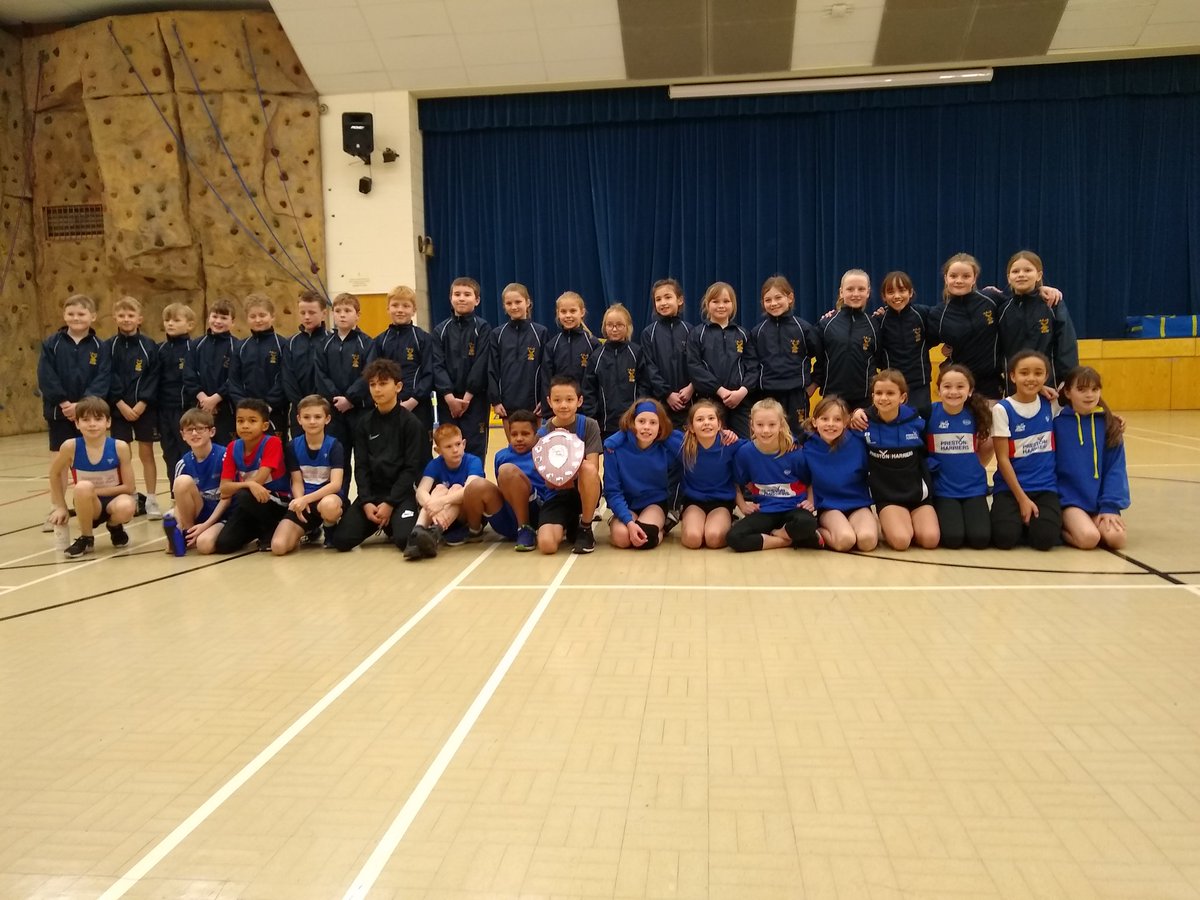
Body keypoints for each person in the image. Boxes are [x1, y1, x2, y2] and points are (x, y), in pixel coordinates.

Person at [326, 359, 426, 553]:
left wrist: (390, 503)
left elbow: (411, 469)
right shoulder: (364, 423)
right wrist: (366, 502)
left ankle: (393, 523)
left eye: (383, 383)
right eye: (372, 385)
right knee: (341, 541)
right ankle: (380, 522)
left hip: (400, 495)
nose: (377, 389)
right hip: (372, 495)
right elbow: (361, 466)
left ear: (398, 387)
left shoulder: (411, 424)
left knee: (405, 539)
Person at [38, 293, 111, 530]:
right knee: (58, 462)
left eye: (81, 314)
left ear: (93, 316)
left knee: (91, 461)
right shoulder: (52, 344)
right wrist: (64, 403)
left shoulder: (101, 346)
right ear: (64, 315)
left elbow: (103, 377)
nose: (76, 318)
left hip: (89, 414)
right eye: (71, 313)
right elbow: (46, 376)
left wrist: (82, 406)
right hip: (59, 412)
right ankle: (57, 506)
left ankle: (94, 506)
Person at [726, 398, 823, 552]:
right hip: (765, 511)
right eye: (760, 425)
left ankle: (781, 533)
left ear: (781, 425)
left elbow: (809, 480)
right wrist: (742, 505)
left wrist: (810, 501)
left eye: (772, 424)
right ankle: (786, 540)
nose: (766, 430)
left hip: (793, 508)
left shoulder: (794, 451)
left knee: (807, 523)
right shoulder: (745, 452)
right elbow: (736, 482)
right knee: (734, 537)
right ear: (752, 425)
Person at [47, 396, 136, 558]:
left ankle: (114, 526)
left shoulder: (119, 447)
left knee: (128, 505)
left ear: (108, 422)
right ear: (77, 423)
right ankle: (86, 537)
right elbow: (54, 473)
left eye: (98, 419)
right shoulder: (70, 447)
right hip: (87, 502)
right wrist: (60, 506)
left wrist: (94, 491)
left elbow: (129, 487)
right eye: (86, 420)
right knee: (82, 487)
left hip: (113, 501)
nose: (92, 424)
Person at [991, 350, 1060, 550]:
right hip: (1010, 489)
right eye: (1024, 373)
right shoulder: (1002, 409)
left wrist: (1110, 416)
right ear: (1012, 376)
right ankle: (1016, 520)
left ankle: (1041, 523)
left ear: (1046, 377)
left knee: (1045, 541)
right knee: (1004, 539)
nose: (1031, 378)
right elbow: (1002, 459)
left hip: (1045, 487)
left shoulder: (1052, 403)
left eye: (1038, 373)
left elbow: (1085, 395)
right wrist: (1022, 499)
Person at [862, 369, 939, 551]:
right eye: (879, 393)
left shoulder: (918, 421)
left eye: (890, 393)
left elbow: (929, 454)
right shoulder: (864, 423)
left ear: (902, 397)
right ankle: (887, 523)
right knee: (901, 541)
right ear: (872, 396)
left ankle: (910, 522)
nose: (884, 398)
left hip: (917, 495)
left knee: (930, 540)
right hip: (887, 497)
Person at [1055, 366, 1129, 550]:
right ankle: (1059, 529)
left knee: (1117, 539)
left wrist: (1110, 506)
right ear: (1068, 392)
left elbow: (1115, 469)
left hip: (1099, 502)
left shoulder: (1110, 425)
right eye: (1081, 389)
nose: (1089, 395)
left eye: (1094, 389)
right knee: (1089, 539)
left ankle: (1089, 525)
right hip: (1069, 501)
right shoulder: (1056, 425)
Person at [925, 364, 993, 550]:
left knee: (980, 539)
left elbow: (987, 448)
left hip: (973, 488)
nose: (953, 392)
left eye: (960, 387)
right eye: (947, 386)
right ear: (938, 390)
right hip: (943, 490)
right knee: (953, 539)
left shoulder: (977, 414)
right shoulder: (929, 413)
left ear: (970, 391)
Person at [797, 395, 878, 552]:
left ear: (846, 422)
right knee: (845, 541)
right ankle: (815, 533)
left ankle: (869, 523)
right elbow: (806, 479)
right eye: (824, 419)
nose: (830, 424)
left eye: (837, 420)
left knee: (867, 541)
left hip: (858, 504)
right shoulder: (805, 448)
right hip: (829, 506)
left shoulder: (858, 442)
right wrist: (809, 500)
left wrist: (860, 411)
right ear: (815, 422)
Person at [107, 295, 162, 519]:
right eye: (122, 315)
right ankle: (128, 496)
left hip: (144, 409)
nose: (126, 319)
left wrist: (142, 403)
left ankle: (151, 498)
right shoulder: (108, 346)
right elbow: (107, 376)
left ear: (139, 318)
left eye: (131, 315)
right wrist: (119, 403)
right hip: (118, 409)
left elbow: (153, 376)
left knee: (147, 452)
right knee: (122, 454)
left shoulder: (149, 346)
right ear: (114, 317)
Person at [367, 284, 440, 453]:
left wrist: (413, 400)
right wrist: (384, 401)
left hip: (417, 406)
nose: (400, 310)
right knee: (392, 452)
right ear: (388, 309)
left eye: (406, 306)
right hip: (387, 407)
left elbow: (429, 373)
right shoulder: (379, 341)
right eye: (395, 305)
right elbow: (373, 374)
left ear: (414, 310)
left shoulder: (423, 339)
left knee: (420, 453)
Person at [603, 398, 684, 549]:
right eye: (641, 421)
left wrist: (724, 434)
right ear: (632, 422)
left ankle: (664, 526)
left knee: (646, 537)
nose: (647, 427)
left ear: (660, 426)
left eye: (653, 423)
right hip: (627, 503)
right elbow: (612, 490)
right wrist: (628, 521)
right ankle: (618, 519)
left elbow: (692, 444)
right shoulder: (614, 448)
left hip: (654, 503)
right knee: (622, 538)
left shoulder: (667, 447)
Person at [212, 399, 290, 553]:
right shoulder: (233, 447)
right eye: (240, 421)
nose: (245, 425)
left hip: (277, 502)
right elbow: (224, 488)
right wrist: (248, 484)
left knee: (243, 494)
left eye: (252, 421)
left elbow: (260, 480)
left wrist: (246, 486)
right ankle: (257, 529)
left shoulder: (272, 442)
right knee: (224, 544)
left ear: (265, 426)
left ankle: (274, 527)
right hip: (249, 501)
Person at [271, 395, 346, 556]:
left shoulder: (334, 446)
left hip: (327, 498)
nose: (312, 421)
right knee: (278, 547)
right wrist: (299, 501)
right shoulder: (292, 446)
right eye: (307, 417)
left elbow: (335, 484)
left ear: (327, 419)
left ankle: (330, 528)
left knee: (329, 506)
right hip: (305, 500)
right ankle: (309, 529)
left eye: (317, 417)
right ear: (298, 419)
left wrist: (306, 499)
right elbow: (297, 481)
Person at [997, 250, 1078, 398]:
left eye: (1028, 270)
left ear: (1039, 275)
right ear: (1009, 278)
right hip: (1014, 391)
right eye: (1015, 271)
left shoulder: (1052, 304)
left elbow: (1066, 345)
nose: (1021, 274)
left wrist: (1068, 380)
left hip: (1049, 389)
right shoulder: (1002, 309)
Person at [536, 375, 603, 554]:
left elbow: (593, 467)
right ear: (549, 402)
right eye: (557, 400)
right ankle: (570, 521)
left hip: (582, 489)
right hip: (556, 494)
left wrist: (567, 445)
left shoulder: (589, 425)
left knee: (587, 469)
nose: (563, 405)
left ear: (579, 401)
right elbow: (548, 481)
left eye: (569, 399)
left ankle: (586, 527)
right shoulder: (543, 433)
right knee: (547, 545)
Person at [461, 408, 545, 550]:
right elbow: (502, 488)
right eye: (514, 434)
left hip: (536, 515)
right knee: (476, 486)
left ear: (536, 434)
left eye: (525, 434)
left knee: (507, 471)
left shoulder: (543, 453)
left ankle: (525, 529)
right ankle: (474, 530)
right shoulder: (501, 456)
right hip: (508, 516)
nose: (519, 438)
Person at [314, 292, 372, 488]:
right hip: (334, 411)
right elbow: (320, 374)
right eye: (338, 311)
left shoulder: (367, 343)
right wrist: (336, 399)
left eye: (347, 310)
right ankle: (340, 502)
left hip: (360, 410)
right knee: (339, 459)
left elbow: (368, 374)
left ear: (358, 315)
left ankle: (365, 500)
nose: (342, 315)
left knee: (364, 459)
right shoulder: (325, 344)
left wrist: (349, 398)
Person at [582, 302, 663, 439]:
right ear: (604, 327)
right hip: (605, 425)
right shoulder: (596, 356)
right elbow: (589, 390)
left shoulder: (636, 352)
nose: (614, 329)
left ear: (628, 327)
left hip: (633, 423)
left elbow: (645, 385)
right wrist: (592, 416)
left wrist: (639, 413)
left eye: (619, 325)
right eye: (610, 325)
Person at [752, 274, 821, 435]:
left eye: (778, 297)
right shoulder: (757, 332)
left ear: (790, 298)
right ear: (763, 303)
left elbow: (822, 359)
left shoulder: (804, 328)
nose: (773, 303)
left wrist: (814, 384)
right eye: (768, 300)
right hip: (768, 394)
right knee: (770, 434)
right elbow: (752, 365)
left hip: (796, 393)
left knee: (798, 435)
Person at [406, 423, 486, 560]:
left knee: (457, 488)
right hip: (442, 514)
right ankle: (417, 533)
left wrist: (441, 502)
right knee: (439, 489)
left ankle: (435, 533)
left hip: (467, 515)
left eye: (458, 444)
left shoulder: (473, 461)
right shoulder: (435, 464)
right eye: (448, 447)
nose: (455, 450)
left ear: (464, 444)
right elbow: (421, 491)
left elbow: (469, 490)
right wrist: (434, 506)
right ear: (438, 450)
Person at [433, 277, 492, 462]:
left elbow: (482, 364)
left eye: (467, 294)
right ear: (450, 298)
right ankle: (450, 489)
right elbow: (437, 364)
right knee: (449, 447)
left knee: (474, 447)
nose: (461, 298)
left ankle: (474, 488)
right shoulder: (440, 330)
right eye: (457, 294)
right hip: (447, 403)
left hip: (474, 401)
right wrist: (449, 397)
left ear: (477, 300)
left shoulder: (482, 328)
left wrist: (467, 397)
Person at [678, 399, 745, 550]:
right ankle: (690, 523)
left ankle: (730, 520)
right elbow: (659, 432)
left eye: (711, 418)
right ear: (691, 427)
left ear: (719, 424)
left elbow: (758, 445)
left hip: (721, 502)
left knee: (713, 539)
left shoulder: (730, 444)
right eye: (700, 419)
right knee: (693, 540)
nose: (706, 423)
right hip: (693, 502)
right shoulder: (683, 444)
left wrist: (792, 441)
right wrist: (612, 443)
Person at [871, 271, 936, 419]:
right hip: (892, 386)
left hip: (920, 384)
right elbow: (876, 352)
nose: (897, 296)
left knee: (921, 426)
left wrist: (948, 348)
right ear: (883, 296)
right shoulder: (879, 321)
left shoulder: (923, 313)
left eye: (902, 290)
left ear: (911, 292)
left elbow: (943, 328)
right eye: (890, 292)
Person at [814, 269, 879, 412]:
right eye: (850, 289)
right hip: (832, 397)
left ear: (868, 292)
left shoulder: (875, 325)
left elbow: (880, 360)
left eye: (861, 289)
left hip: (864, 400)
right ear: (841, 292)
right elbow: (819, 361)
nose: (856, 294)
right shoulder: (826, 324)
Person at [228, 293, 290, 436]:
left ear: (272, 316)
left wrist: (268, 405)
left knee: (274, 452)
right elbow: (234, 380)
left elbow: (284, 378)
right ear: (247, 318)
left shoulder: (282, 345)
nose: (258, 320)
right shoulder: (241, 347)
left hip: (274, 412)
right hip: (246, 414)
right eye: (253, 316)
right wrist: (244, 406)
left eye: (262, 315)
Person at [488, 282, 548, 426]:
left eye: (518, 302)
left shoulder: (540, 332)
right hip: (507, 406)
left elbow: (546, 370)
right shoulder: (497, 334)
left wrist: (544, 399)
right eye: (509, 303)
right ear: (504, 306)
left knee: (534, 447)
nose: (514, 307)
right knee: (514, 447)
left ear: (528, 303)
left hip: (534, 406)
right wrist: (495, 402)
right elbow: (492, 370)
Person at [171, 407, 229, 554]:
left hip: (222, 515)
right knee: (181, 484)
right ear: (182, 435)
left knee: (205, 546)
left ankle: (194, 535)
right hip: (198, 513)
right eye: (189, 430)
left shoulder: (224, 456)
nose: (194, 433)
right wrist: (180, 522)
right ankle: (187, 533)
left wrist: (205, 526)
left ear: (212, 432)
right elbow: (178, 501)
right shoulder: (183, 463)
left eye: (200, 429)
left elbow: (228, 498)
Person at [185, 297, 241, 444]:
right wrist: (203, 399)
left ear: (233, 322)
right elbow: (189, 374)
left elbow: (236, 378)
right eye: (215, 316)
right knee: (201, 448)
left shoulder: (237, 346)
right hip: (200, 406)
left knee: (226, 451)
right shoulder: (196, 344)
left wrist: (216, 398)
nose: (218, 321)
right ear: (209, 317)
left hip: (226, 409)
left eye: (224, 318)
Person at [640, 279, 693, 427]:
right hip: (661, 403)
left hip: (688, 401)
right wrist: (667, 393)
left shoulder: (690, 331)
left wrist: (691, 388)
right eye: (658, 299)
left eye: (668, 297)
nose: (663, 303)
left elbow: (697, 364)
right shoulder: (648, 333)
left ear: (680, 300)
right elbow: (649, 368)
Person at [158, 302, 196, 494]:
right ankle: (175, 493)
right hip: (165, 410)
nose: (170, 324)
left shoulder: (194, 348)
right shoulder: (160, 350)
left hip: (187, 410)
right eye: (167, 320)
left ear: (189, 325)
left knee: (187, 451)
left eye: (176, 320)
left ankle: (193, 491)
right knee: (169, 452)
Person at [284, 289, 329, 438]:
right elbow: (288, 377)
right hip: (299, 409)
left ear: (323, 313)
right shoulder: (291, 343)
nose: (307, 317)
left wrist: (321, 404)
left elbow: (333, 375)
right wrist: (301, 404)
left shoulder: (331, 340)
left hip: (325, 409)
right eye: (303, 313)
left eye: (312, 312)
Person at [545, 291, 600, 391]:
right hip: (560, 404)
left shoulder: (593, 344)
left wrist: (591, 405)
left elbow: (598, 379)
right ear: (558, 314)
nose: (568, 315)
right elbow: (546, 380)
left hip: (586, 404)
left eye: (573, 311)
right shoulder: (552, 345)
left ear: (582, 312)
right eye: (563, 311)